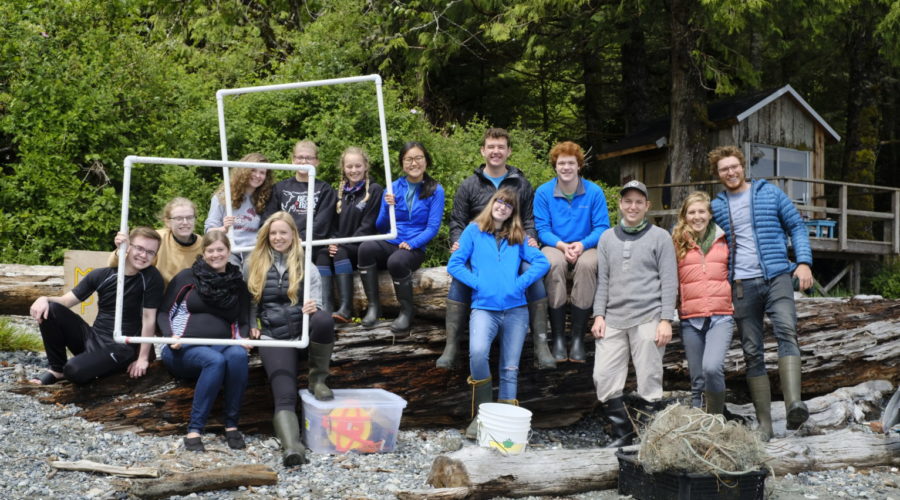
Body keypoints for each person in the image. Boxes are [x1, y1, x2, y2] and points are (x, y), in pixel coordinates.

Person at [708, 145, 813, 440]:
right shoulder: (716, 206)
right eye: (723, 169)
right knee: (752, 351)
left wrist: (803, 262)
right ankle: (765, 425)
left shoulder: (770, 193)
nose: (730, 172)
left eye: (734, 166)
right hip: (741, 284)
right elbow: (695, 232)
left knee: (786, 331)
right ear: (718, 175)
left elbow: (796, 226)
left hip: (777, 275)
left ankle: (794, 404)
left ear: (743, 166)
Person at [438, 127, 556, 370]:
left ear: (509, 151)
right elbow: (457, 221)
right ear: (483, 150)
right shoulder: (469, 185)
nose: (495, 151)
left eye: (500, 147)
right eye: (491, 147)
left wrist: (531, 239)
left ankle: (541, 345)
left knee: (530, 273)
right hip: (478, 249)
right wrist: (458, 242)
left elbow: (530, 220)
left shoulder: (521, 184)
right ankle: (450, 345)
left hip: (514, 246)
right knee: (460, 279)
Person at [448, 189, 550, 439]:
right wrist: (477, 283)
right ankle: (481, 417)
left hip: (515, 310)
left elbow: (542, 263)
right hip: (484, 308)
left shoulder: (518, 236)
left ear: (513, 212)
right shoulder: (473, 231)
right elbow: (455, 264)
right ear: (491, 204)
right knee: (479, 353)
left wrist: (519, 284)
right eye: (499, 202)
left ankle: (503, 425)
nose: (502, 207)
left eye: (508, 205)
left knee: (510, 368)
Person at [246, 211, 336, 467]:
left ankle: (318, 380)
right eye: (273, 233)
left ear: (293, 235)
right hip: (275, 336)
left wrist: (312, 308)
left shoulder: (307, 265)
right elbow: (250, 301)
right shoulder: (254, 263)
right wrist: (252, 326)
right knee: (284, 395)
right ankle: (292, 447)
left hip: (304, 332)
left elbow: (318, 303)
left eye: (283, 232)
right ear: (267, 235)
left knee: (323, 319)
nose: (278, 237)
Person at [591, 180, 677, 447]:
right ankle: (623, 434)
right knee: (603, 376)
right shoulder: (606, 237)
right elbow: (602, 279)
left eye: (639, 202)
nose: (633, 206)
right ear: (620, 204)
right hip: (613, 317)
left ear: (647, 206)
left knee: (649, 377)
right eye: (628, 201)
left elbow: (669, 280)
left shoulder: (661, 237)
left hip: (648, 315)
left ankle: (649, 438)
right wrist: (598, 315)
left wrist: (666, 319)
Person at [29, 227, 164, 385]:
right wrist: (43, 298)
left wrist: (142, 359)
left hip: (122, 348)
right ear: (127, 246)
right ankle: (57, 369)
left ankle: (88, 368)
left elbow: (149, 319)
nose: (143, 255)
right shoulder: (101, 275)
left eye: (150, 252)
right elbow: (66, 302)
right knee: (51, 309)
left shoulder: (151, 278)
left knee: (73, 370)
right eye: (139, 248)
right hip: (92, 339)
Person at [157, 231, 251, 452]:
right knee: (215, 361)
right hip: (183, 348)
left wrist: (243, 338)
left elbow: (243, 320)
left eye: (220, 250)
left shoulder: (238, 284)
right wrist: (171, 336)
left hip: (221, 344)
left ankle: (231, 425)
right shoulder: (187, 277)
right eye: (210, 250)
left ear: (228, 252)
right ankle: (194, 431)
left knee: (237, 356)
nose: (215, 254)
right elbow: (163, 313)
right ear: (204, 252)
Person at [357, 141, 445, 333]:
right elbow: (381, 226)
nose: (414, 163)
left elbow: (432, 228)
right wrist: (388, 207)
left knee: (396, 261)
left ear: (426, 161)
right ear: (402, 163)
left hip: (414, 246)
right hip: (392, 240)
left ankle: (406, 311)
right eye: (408, 159)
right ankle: (374, 306)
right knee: (365, 248)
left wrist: (412, 243)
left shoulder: (436, 190)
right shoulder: (393, 187)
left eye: (418, 158)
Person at [534, 141, 610, 363]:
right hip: (554, 244)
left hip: (586, 245)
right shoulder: (543, 192)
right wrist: (562, 246)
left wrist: (582, 245)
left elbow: (602, 227)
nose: (566, 167)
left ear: (579, 166)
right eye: (561, 163)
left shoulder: (594, 192)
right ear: (555, 166)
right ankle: (558, 338)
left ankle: (577, 339)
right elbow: (542, 229)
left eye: (571, 163)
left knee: (587, 265)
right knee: (552, 263)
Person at [672, 191, 733, 414]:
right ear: (684, 216)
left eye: (701, 212)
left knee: (712, 367)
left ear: (709, 215)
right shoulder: (677, 242)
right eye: (691, 212)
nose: (697, 217)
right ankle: (698, 417)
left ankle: (716, 415)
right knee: (697, 378)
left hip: (721, 316)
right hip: (690, 317)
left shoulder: (724, 239)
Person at [317, 147, 383, 322]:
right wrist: (331, 241)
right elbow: (331, 224)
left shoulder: (374, 190)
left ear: (365, 166)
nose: (354, 170)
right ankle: (326, 308)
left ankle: (346, 308)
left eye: (358, 166)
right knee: (323, 255)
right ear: (343, 168)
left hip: (362, 248)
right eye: (349, 167)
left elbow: (368, 226)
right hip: (341, 247)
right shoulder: (338, 192)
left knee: (340, 252)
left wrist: (341, 245)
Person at [262, 140, 336, 267]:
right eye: (300, 157)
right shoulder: (279, 188)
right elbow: (268, 218)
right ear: (293, 159)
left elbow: (321, 224)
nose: (304, 161)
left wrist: (297, 241)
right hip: (280, 244)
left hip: (310, 246)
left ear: (317, 161)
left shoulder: (325, 190)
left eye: (309, 158)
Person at [204, 152, 273, 269]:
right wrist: (223, 229)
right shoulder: (223, 197)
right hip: (229, 249)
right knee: (230, 271)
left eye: (262, 173)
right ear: (244, 171)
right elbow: (208, 231)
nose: (257, 175)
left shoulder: (267, 198)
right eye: (253, 170)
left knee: (252, 271)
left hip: (254, 250)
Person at [112, 197, 203, 285]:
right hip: (156, 294)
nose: (185, 222)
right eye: (179, 218)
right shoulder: (156, 238)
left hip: (189, 296)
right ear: (167, 221)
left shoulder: (203, 244)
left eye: (190, 217)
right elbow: (114, 265)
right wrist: (122, 250)